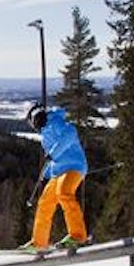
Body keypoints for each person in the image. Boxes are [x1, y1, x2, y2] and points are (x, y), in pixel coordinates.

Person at [21, 104, 89, 253]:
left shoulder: (54, 121)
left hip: (74, 166)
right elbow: (52, 159)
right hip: (58, 171)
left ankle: (78, 236)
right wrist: (44, 174)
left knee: (64, 192)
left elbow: (70, 133)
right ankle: (39, 242)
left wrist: (53, 152)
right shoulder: (45, 133)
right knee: (45, 202)